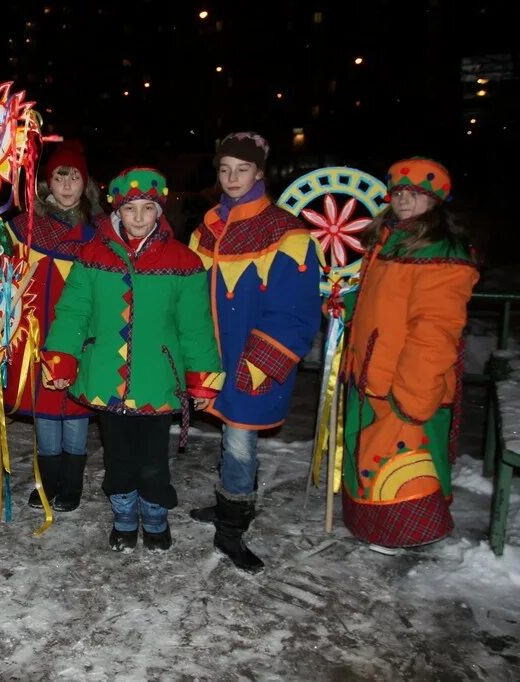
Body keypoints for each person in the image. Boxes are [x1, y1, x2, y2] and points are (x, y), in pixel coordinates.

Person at [42, 167, 223, 552]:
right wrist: (62, 359)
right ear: (116, 213)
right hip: (107, 377)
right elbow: (73, 312)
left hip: (158, 379)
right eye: (130, 210)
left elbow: (195, 326)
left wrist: (203, 378)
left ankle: (155, 517)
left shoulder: (184, 262)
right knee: (119, 456)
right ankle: (124, 516)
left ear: (160, 212)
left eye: (147, 208)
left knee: (154, 460)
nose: (138, 218)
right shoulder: (90, 256)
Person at [188, 131, 322, 573]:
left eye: (241, 170)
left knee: (241, 441)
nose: (231, 178)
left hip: (251, 359)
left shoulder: (286, 232)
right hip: (213, 357)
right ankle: (230, 501)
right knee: (229, 437)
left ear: (260, 172)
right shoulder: (205, 229)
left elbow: (296, 309)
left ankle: (232, 530)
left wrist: (263, 361)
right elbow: (188, 294)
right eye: (224, 169)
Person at [339, 158, 477, 549]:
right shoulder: (387, 239)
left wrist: (414, 395)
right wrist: (345, 306)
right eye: (398, 192)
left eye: (415, 193)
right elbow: (379, 301)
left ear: (434, 200)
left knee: (399, 467)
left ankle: (406, 534)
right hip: (371, 373)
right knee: (370, 461)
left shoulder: (441, 254)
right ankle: (381, 529)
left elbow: (435, 330)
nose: (404, 200)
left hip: (404, 383)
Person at [5, 140, 100, 512]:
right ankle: (48, 482)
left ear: (85, 184)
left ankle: (71, 486)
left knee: (74, 411)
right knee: (46, 412)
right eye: (59, 176)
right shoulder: (24, 228)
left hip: (81, 339)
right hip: (37, 339)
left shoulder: (99, 232)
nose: (66, 185)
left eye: (73, 177)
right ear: (47, 184)